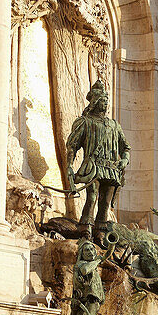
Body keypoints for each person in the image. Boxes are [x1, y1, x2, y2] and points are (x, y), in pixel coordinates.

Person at [65, 78, 130, 231]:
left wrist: (125, 160)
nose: (106, 104)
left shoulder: (114, 125)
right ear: (95, 102)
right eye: (103, 101)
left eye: (107, 101)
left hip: (111, 168)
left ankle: (100, 231)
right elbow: (72, 145)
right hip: (93, 167)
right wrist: (69, 166)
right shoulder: (85, 122)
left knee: (106, 202)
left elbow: (125, 147)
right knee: (92, 196)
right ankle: (85, 228)